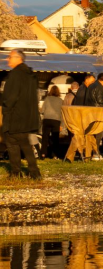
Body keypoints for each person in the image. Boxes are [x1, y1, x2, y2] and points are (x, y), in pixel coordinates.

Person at [1, 50, 42, 178]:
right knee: (26, 144)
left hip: (15, 115)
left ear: (18, 58)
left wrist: (5, 109)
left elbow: (11, 97)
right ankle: (34, 172)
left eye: (9, 57)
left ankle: (16, 172)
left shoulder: (15, 74)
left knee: (12, 143)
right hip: (28, 116)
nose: (7, 59)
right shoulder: (30, 75)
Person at [40, 85, 64, 159]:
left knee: (45, 137)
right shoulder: (61, 100)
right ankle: (55, 155)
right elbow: (62, 113)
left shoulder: (47, 99)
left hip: (47, 119)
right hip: (56, 120)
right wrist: (62, 124)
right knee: (55, 138)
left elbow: (42, 110)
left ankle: (43, 153)